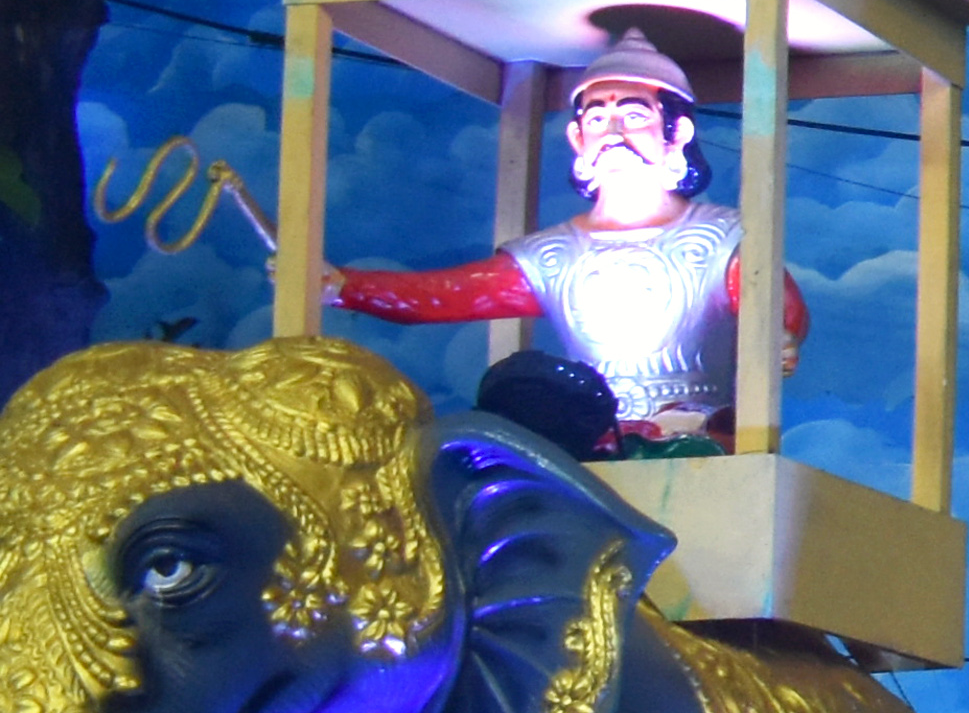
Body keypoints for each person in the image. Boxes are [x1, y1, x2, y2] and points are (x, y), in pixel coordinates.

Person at [324, 35, 804, 449]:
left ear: (676, 132)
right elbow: (441, 294)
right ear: (577, 138)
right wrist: (344, 285)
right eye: (597, 120)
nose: (613, 132)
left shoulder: (721, 237)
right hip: (587, 432)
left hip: (700, 431)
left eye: (634, 116)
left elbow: (772, 300)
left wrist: (781, 335)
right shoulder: (552, 256)